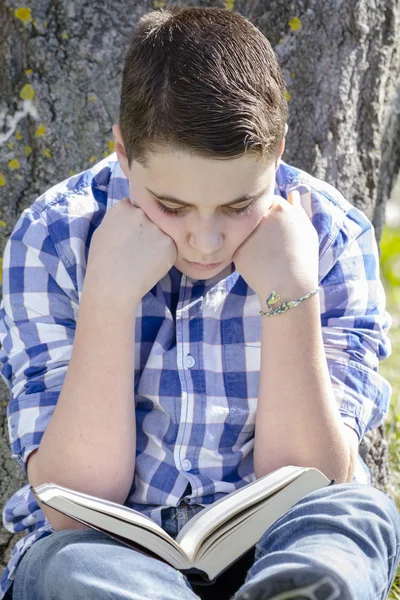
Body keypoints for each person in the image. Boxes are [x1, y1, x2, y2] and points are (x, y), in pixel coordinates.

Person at [0, 5, 399, 600]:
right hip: (107, 555)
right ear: (123, 153)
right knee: (66, 568)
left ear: (278, 153)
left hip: (276, 540)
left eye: (239, 206)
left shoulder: (330, 235)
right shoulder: (55, 238)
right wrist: (108, 296)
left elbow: (313, 478)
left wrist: (289, 291)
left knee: (353, 520)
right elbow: (76, 502)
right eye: (172, 206)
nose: (207, 241)